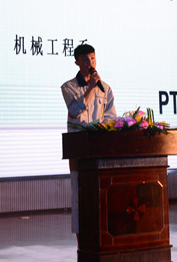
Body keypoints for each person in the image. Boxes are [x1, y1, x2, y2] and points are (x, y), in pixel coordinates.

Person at [61, 44, 116, 235]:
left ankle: (101, 239)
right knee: (80, 195)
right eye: (85, 60)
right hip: (79, 149)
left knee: (102, 193)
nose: (90, 63)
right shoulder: (68, 87)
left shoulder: (105, 88)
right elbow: (74, 111)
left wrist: (105, 128)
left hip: (99, 149)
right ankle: (82, 243)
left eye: (92, 58)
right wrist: (91, 88)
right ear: (77, 62)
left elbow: (110, 117)